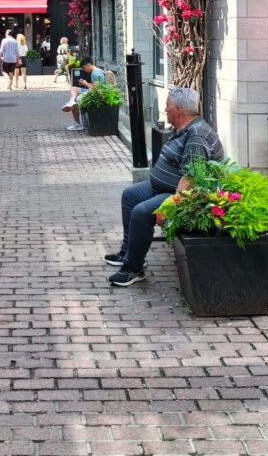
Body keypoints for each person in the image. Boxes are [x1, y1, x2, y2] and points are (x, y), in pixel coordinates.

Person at [105, 87, 225, 287]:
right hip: (160, 187)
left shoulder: (197, 135)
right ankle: (128, 251)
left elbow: (191, 178)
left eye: (167, 106)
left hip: (178, 193)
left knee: (141, 212)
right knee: (130, 195)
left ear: (178, 110)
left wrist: (171, 206)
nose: (165, 109)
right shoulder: (182, 128)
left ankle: (133, 268)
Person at [62, 57, 105, 130]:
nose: (84, 70)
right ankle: (71, 102)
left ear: (88, 65)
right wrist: (85, 83)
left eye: (84, 67)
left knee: (77, 99)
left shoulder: (95, 73)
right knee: (73, 89)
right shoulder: (97, 70)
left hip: (96, 93)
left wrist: (85, 83)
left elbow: (96, 89)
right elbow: (96, 85)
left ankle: (78, 123)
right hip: (93, 91)